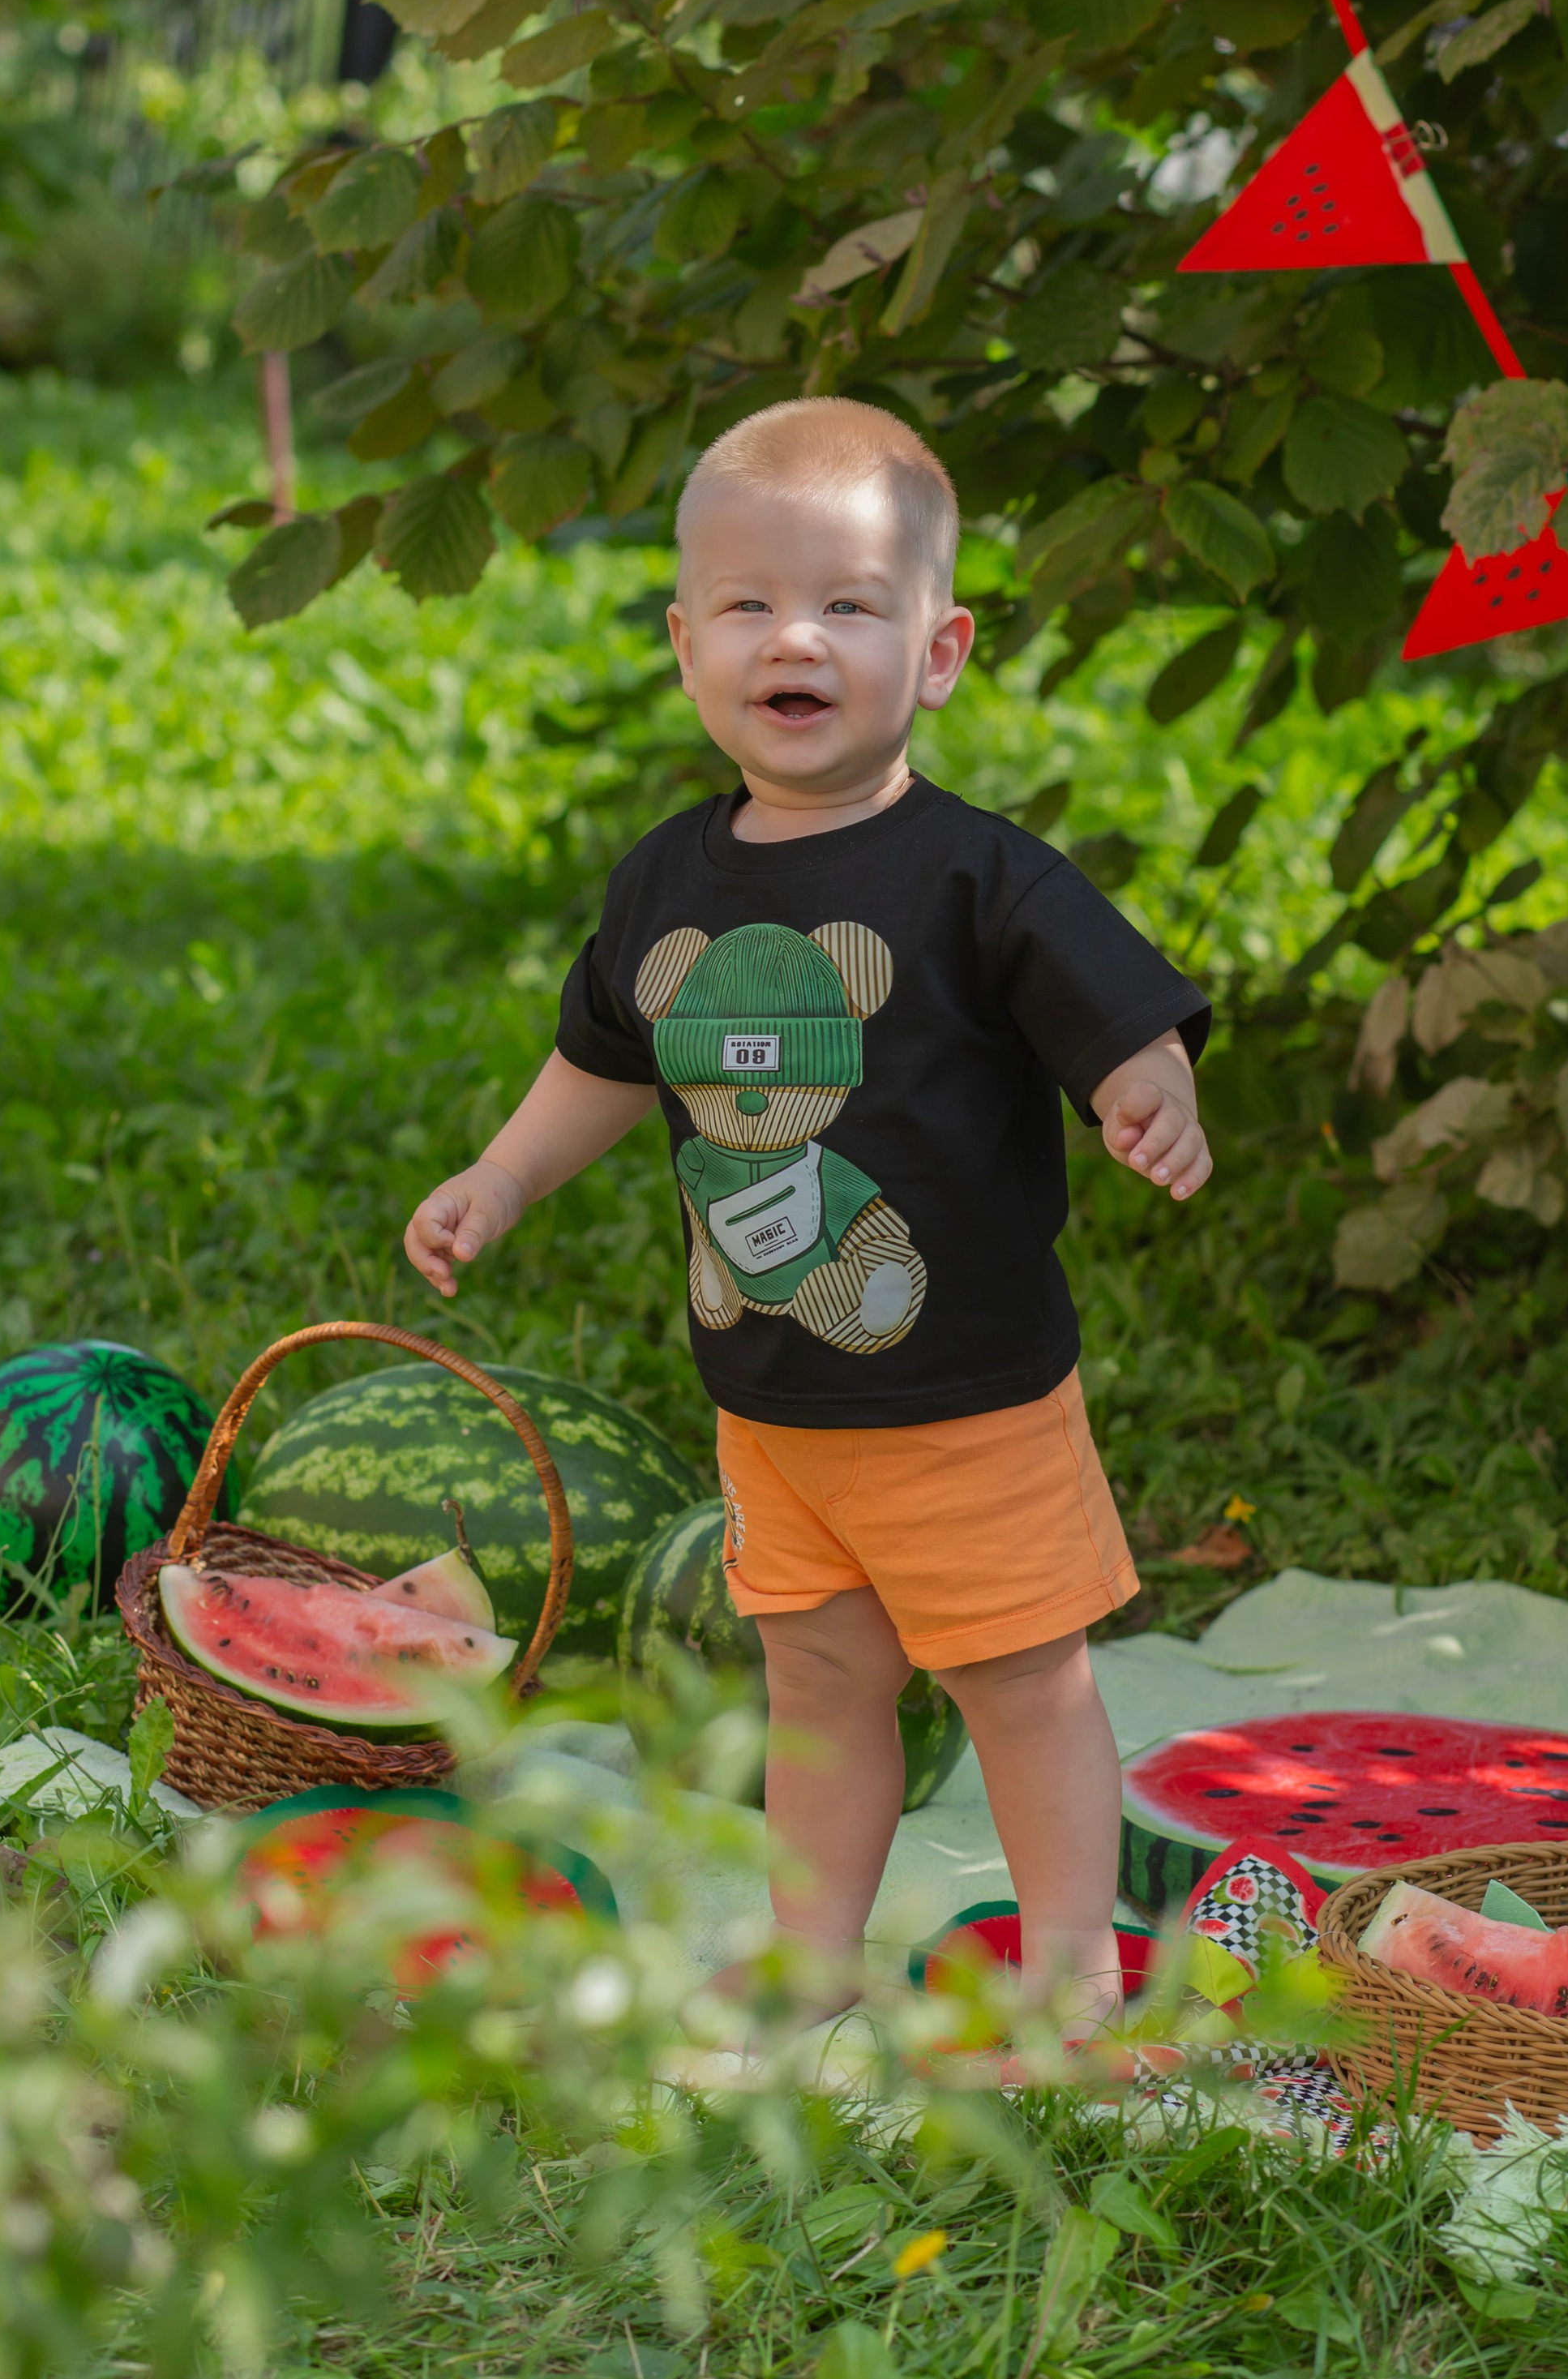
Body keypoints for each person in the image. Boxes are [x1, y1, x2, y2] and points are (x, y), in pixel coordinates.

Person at [404, 396, 1211, 2039]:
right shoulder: (664, 885)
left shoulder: (976, 877)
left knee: (1017, 1683)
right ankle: (810, 1954)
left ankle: (1063, 1968)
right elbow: (602, 1058)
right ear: (685, 639)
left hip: (964, 1394)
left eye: (850, 603)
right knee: (820, 1684)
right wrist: (501, 1174)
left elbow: (1112, 1005)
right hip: (771, 1402)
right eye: (755, 602)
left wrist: (1148, 1085)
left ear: (937, 651)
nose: (799, 636)